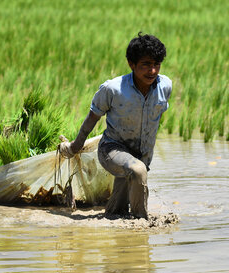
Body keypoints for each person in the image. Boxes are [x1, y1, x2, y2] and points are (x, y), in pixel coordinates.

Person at [58, 32, 172, 219]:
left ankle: (114, 217)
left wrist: (144, 155)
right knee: (137, 171)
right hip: (111, 150)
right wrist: (75, 146)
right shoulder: (113, 89)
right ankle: (141, 225)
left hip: (141, 153)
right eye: (146, 65)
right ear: (131, 64)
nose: (152, 71)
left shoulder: (165, 86)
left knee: (117, 209)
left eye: (156, 65)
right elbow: (92, 118)